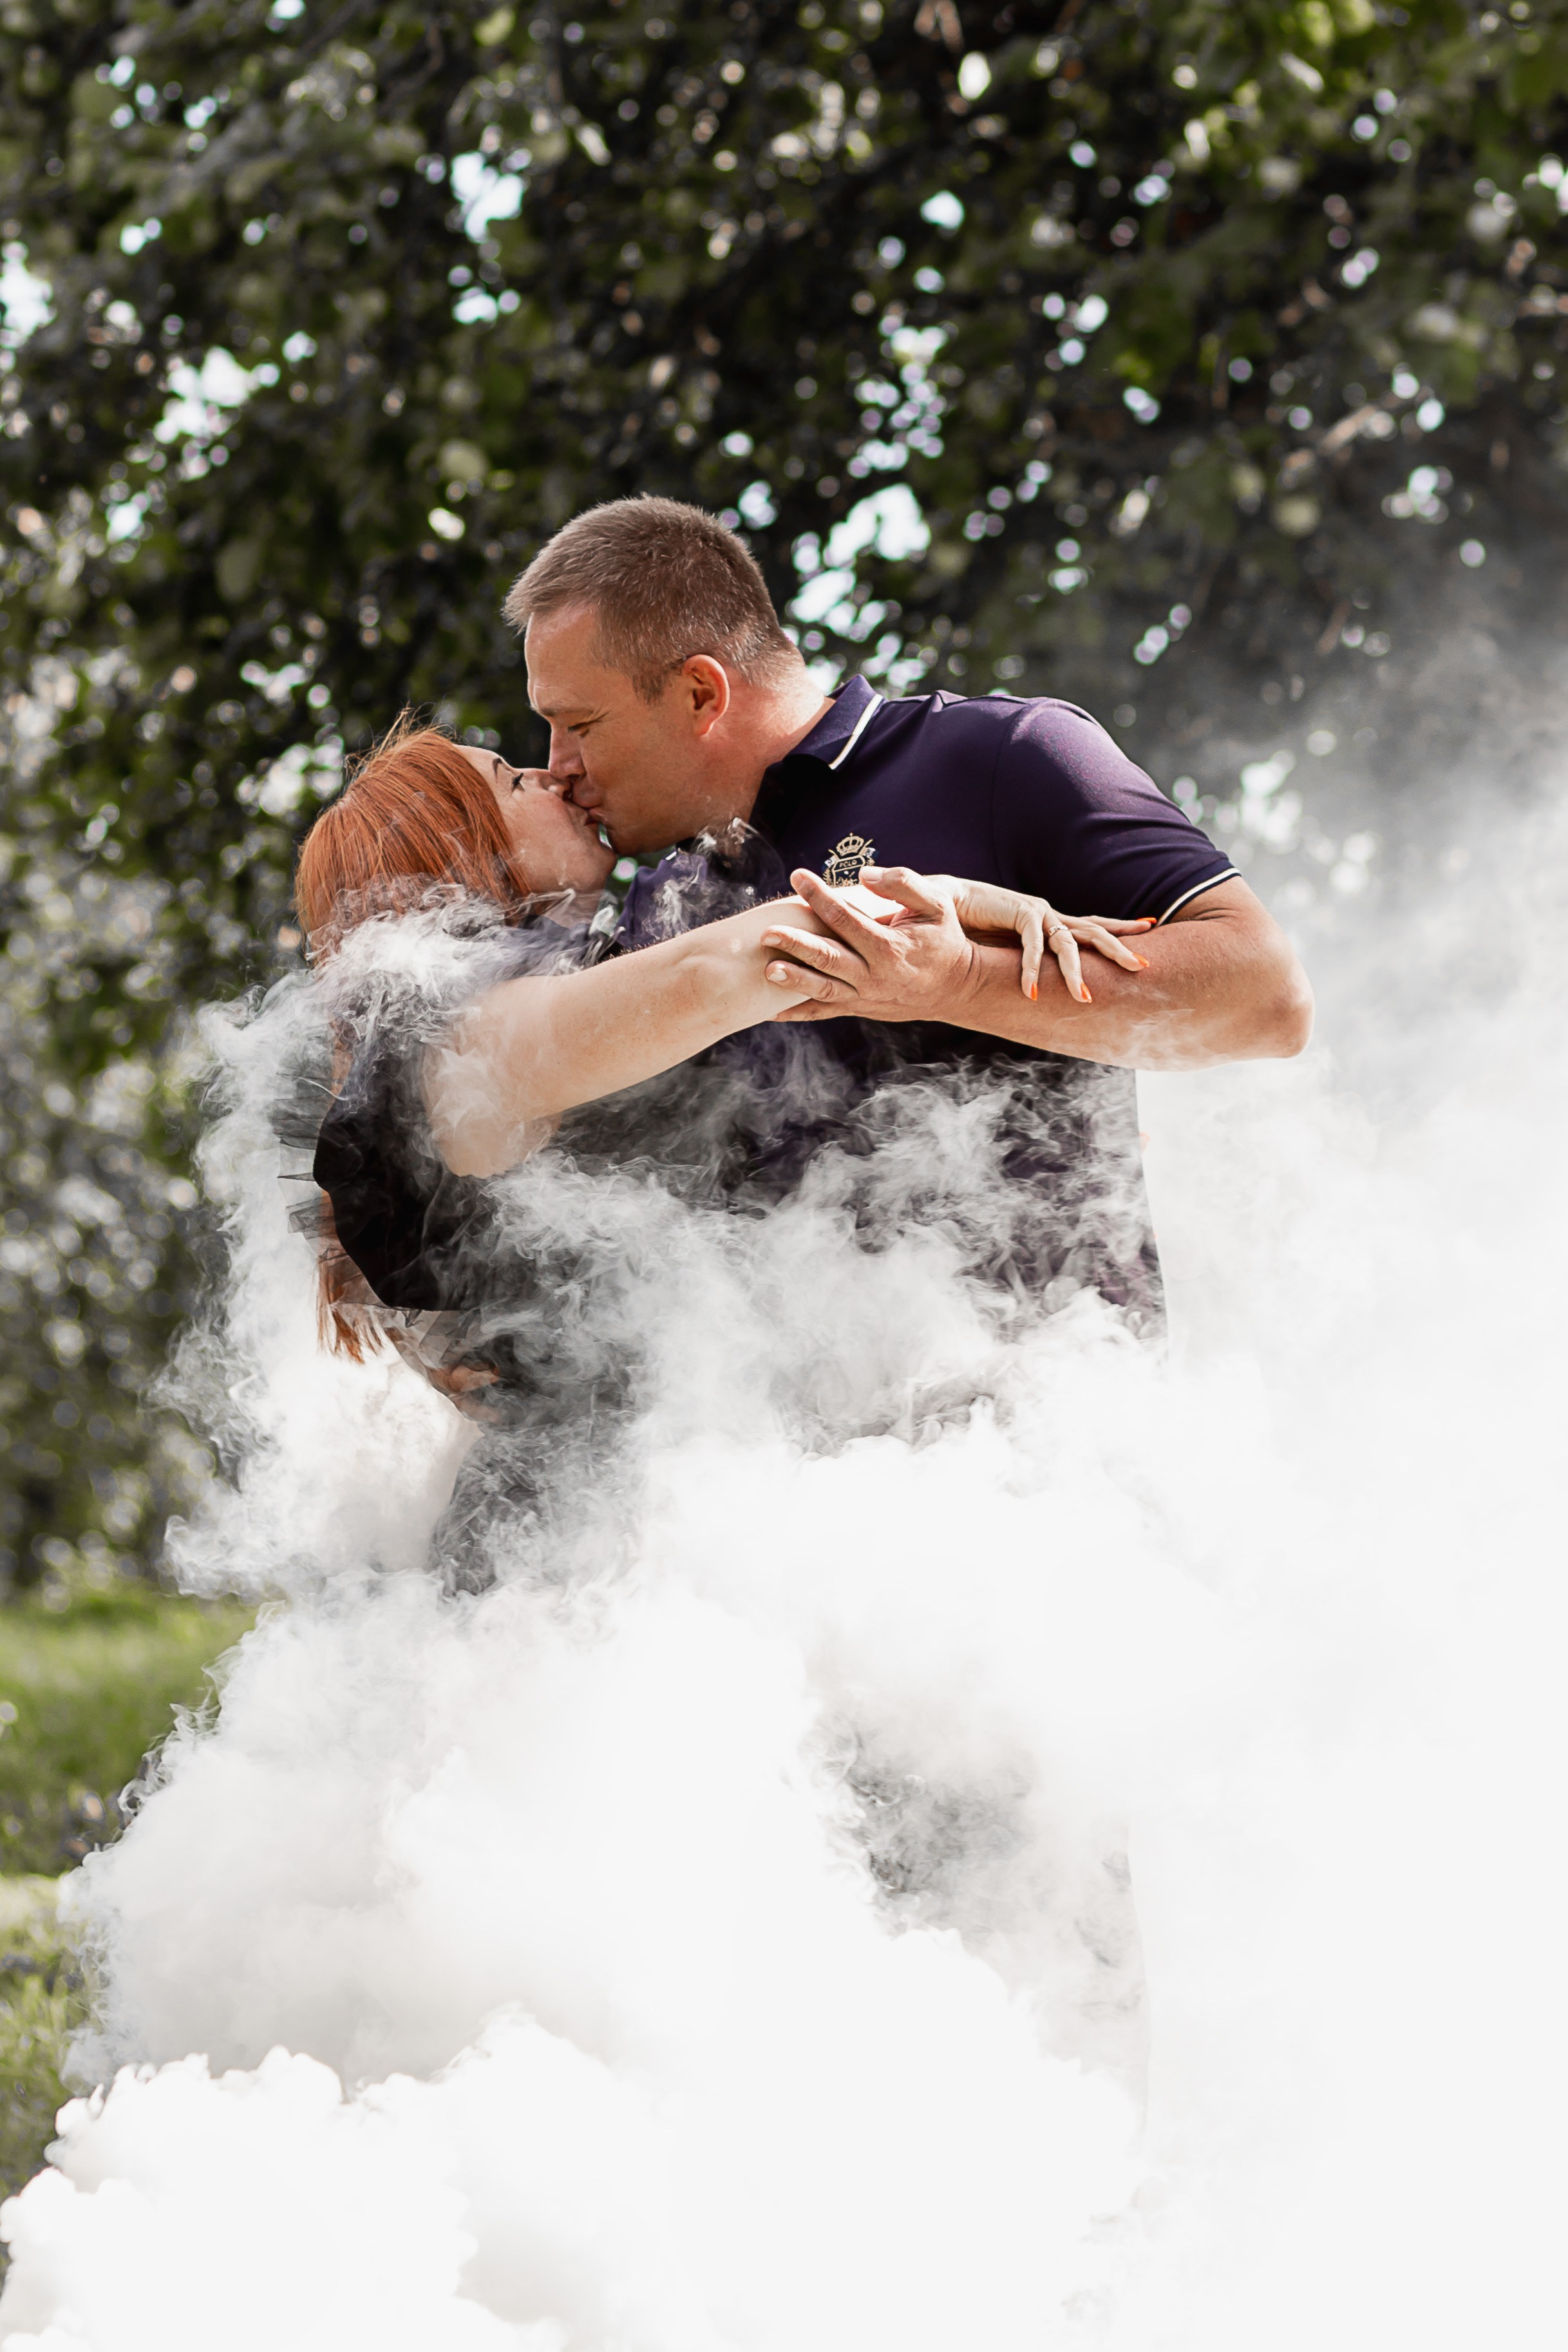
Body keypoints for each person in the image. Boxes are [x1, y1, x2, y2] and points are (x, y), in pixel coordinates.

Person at [503, 497, 1313, 1329]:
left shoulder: (1001, 756)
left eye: (579, 724)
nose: (559, 766)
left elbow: (1267, 1000)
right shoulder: (657, 911)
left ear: (701, 693)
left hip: (1061, 1395)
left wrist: (960, 981)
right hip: (772, 1410)